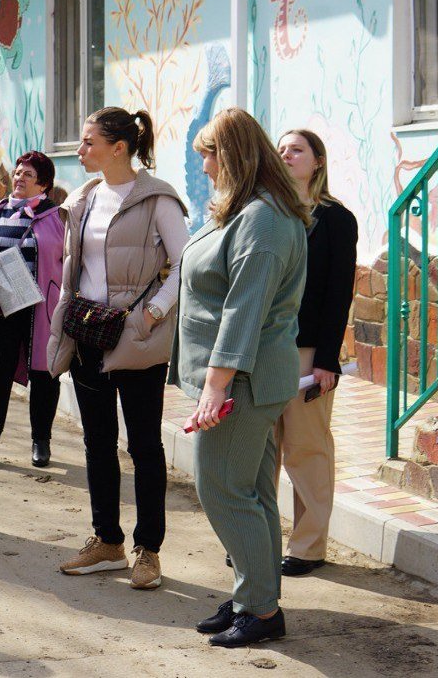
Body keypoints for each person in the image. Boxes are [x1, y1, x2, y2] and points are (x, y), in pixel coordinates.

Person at [174, 107, 308, 647]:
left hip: (242, 383)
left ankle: (261, 608)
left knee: (222, 490)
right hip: (244, 380)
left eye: (208, 153)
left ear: (232, 154)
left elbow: (243, 310)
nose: (203, 165)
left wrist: (215, 386)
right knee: (251, 491)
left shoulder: (263, 219)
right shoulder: (248, 209)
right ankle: (256, 595)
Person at [47, 106, 188, 590]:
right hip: (90, 332)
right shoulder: (85, 198)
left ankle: (148, 550)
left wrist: (153, 314)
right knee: (97, 442)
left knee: (144, 444)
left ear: (119, 148)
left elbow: (184, 266)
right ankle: (107, 540)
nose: (81, 150)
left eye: (89, 142)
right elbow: (75, 269)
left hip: (138, 339)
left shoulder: (158, 199)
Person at [274, 129, 357, 577]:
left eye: (297, 149)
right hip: (264, 350)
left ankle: (307, 547)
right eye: (281, 149)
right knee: (260, 452)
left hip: (307, 354)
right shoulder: (267, 212)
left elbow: (339, 293)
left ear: (318, 161)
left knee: (306, 451)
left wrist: (328, 361)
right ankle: (258, 537)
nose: (286, 154)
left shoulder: (336, 219)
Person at [0, 151, 64, 470]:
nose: (19, 177)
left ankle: (40, 442)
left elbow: (73, 259)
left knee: (44, 375)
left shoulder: (57, 217)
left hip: (41, 311)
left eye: (28, 174)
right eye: (17, 172)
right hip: (0, 306)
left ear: (43, 182)